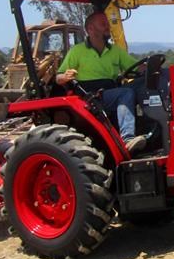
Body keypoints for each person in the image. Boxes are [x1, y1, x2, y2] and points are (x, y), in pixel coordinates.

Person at [55, 12, 147, 154]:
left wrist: (151, 69)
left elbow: (135, 67)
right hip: (93, 97)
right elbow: (58, 77)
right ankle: (127, 139)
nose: (107, 27)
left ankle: (152, 126)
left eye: (107, 24)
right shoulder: (77, 51)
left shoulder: (115, 51)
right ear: (91, 29)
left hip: (112, 91)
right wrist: (65, 76)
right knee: (126, 93)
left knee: (143, 82)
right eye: (103, 24)